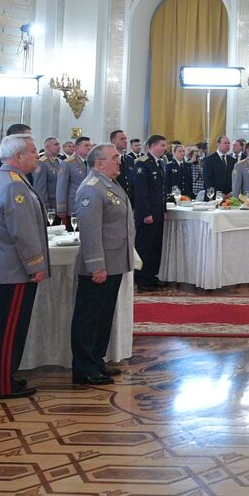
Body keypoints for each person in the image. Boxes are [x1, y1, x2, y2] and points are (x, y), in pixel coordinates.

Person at [0, 134, 48, 400]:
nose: (37, 156)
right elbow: (22, 232)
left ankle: (5, 376)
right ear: (18, 156)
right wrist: (36, 264)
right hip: (15, 269)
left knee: (8, 326)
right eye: (33, 151)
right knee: (9, 328)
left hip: (9, 266)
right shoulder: (13, 185)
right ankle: (1, 384)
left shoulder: (6, 179)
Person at [70, 143, 134, 386]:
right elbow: (90, 230)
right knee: (89, 318)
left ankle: (96, 360)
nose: (120, 161)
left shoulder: (109, 184)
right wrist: (96, 265)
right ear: (99, 163)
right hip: (100, 265)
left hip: (115, 262)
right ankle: (84, 368)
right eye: (115, 158)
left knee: (103, 316)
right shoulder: (92, 188)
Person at [131, 134, 167, 290]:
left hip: (158, 212)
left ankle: (152, 275)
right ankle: (141, 279)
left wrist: (163, 210)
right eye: (162, 145)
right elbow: (141, 191)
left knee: (155, 246)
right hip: (147, 213)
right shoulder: (142, 163)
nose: (165, 148)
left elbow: (162, 190)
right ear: (153, 146)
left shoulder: (160, 163)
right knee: (144, 246)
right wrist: (146, 213)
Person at [57, 136, 93, 224]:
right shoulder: (67, 163)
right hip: (73, 205)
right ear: (77, 148)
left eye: (90, 146)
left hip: (89, 204)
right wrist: (61, 208)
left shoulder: (91, 162)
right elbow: (61, 187)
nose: (89, 148)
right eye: (86, 145)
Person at [36, 137, 63, 209]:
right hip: (50, 205)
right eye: (56, 144)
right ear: (47, 147)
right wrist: (44, 206)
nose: (59, 147)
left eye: (59, 144)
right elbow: (40, 188)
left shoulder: (59, 161)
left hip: (59, 204)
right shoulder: (42, 163)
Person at [110, 130, 135, 197]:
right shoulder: (109, 158)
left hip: (128, 198)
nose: (125, 141)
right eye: (122, 139)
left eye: (126, 139)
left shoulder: (129, 159)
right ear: (113, 142)